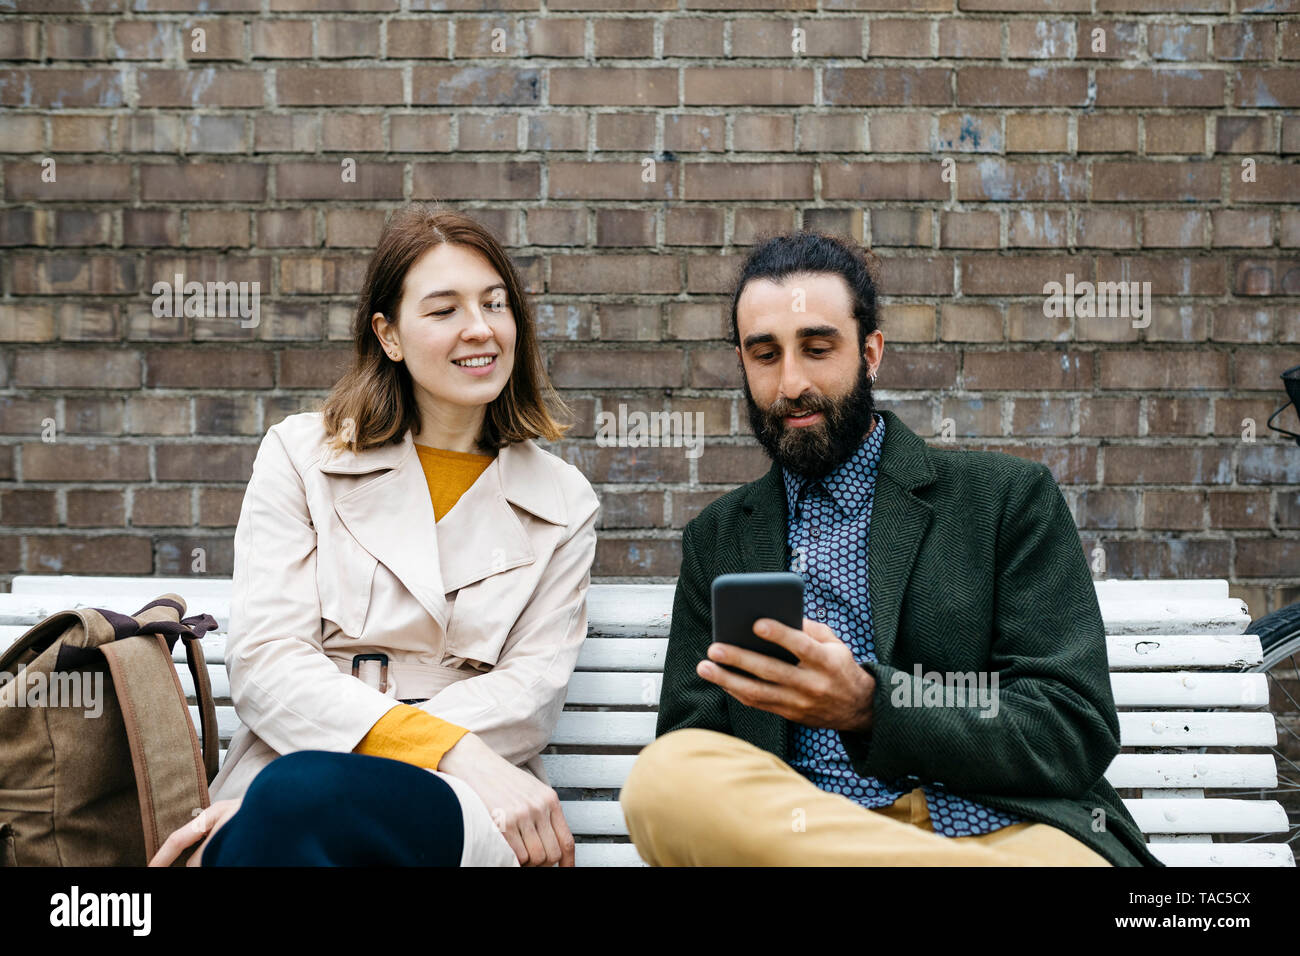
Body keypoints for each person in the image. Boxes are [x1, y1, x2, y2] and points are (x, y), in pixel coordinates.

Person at [618, 230, 1164, 867]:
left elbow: (1069, 728)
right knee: (665, 779)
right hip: (802, 836)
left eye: (817, 348)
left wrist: (870, 704)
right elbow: (696, 746)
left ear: (871, 352)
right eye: (764, 355)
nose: (791, 383)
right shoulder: (720, 539)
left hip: (1007, 832)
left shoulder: (1004, 498)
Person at [149, 204, 599, 867]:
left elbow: (529, 694)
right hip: (290, 766)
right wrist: (434, 743)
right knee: (292, 805)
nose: (480, 329)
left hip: (467, 795)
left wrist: (434, 758)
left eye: (495, 305)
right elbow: (268, 662)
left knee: (297, 805)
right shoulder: (302, 456)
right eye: (444, 310)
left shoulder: (562, 501)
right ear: (388, 335)